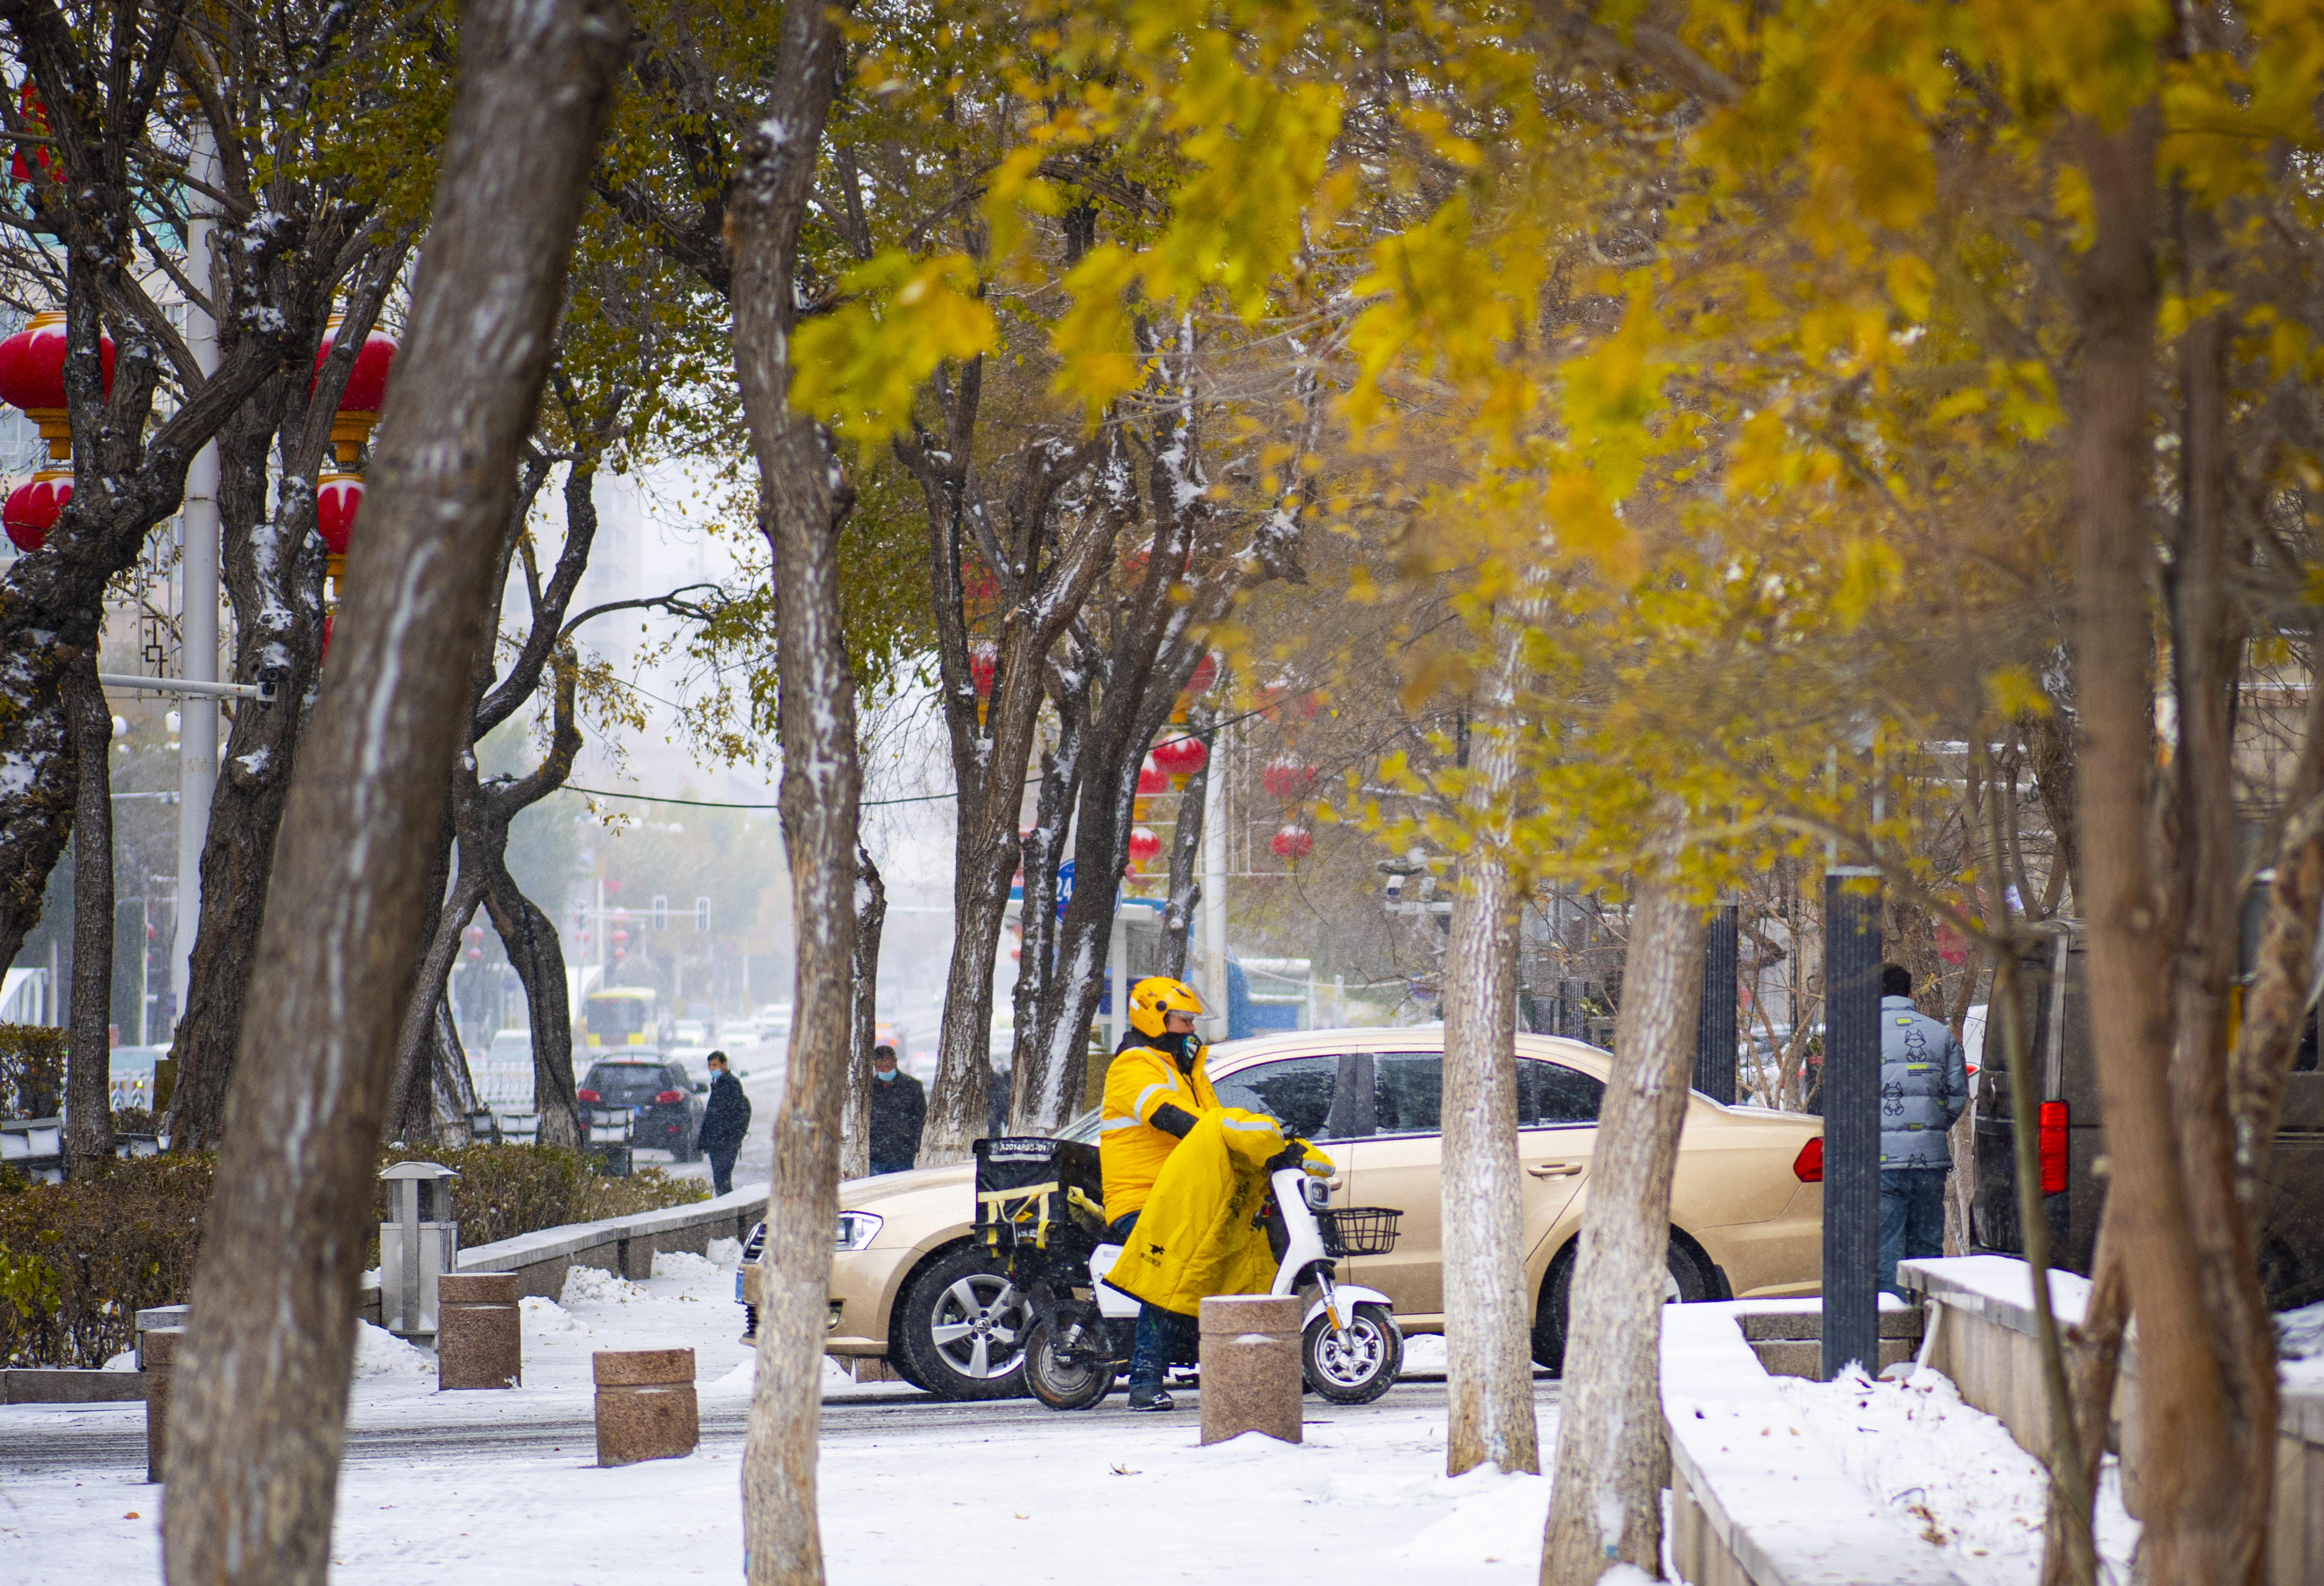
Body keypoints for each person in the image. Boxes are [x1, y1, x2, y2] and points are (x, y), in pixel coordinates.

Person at [1100, 975, 1217, 1411]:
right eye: (1183, 1020)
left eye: (1191, 1020)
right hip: (1141, 1199)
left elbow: (1217, 1119)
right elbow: (1164, 1114)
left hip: (1180, 1194)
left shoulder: (1187, 1072)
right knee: (1171, 1272)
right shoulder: (1134, 1064)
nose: (1191, 1029)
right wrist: (1211, 1132)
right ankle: (1145, 1380)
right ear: (1154, 1018)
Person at [1877, 963, 1969, 1298]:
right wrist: (1931, 1127)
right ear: (1911, 993)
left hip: (1882, 1162)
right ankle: (1927, 1316)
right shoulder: (1939, 1033)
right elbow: (1958, 1094)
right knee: (1928, 1241)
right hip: (1930, 1161)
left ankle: (1893, 1321)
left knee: (1887, 1243)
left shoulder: (1860, 1033)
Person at [697, 1051, 751, 1196]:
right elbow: (711, 1116)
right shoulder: (718, 1085)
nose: (712, 1069)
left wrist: (732, 1136)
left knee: (722, 1177)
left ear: (724, 1065)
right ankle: (725, 1203)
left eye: (715, 1065)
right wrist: (705, 1139)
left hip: (726, 1142)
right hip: (717, 1142)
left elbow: (734, 1114)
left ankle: (727, 1205)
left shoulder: (731, 1085)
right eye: (710, 1066)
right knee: (720, 1179)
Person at [867, 1044, 925, 1174]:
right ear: (875, 1067)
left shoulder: (912, 1086)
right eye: (881, 1068)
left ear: (895, 1062)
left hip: (903, 1151)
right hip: (876, 1153)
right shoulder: (869, 1088)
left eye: (888, 1066)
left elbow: (921, 1117)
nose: (885, 1071)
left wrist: (917, 1143)